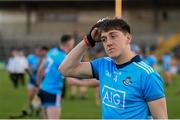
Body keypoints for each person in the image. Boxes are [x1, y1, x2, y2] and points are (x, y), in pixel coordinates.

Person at [59, 17, 168, 119]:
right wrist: (89, 40)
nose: (108, 43)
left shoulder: (147, 75)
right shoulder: (103, 65)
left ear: (128, 38)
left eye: (113, 36)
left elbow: (161, 118)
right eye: (104, 39)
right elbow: (65, 69)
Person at [26, 46, 41, 116]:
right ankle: (30, 110)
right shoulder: (31, 58)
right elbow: (29, 68)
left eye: (39, 51)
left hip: (39, 82)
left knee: (38, 97)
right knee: (30, 96)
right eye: (37, 50)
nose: (38, 52)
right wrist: (30, 73)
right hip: (32, 81)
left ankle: (38, 110)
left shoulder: (42, 59)